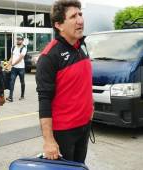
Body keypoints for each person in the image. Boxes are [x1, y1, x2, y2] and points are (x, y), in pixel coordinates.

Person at [35, 0, 93, 163]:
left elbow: (83, 81)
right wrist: (48, 141)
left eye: (80, 14)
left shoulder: (82, 45)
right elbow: (44, 101)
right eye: (73, 16)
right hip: (64, 132)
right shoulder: (49, 57)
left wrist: (91, 107)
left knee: (80, 166)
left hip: (84, 126)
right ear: (59, 24)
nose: (80, 20)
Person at [6, 34, 27, 102]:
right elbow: (12, 58)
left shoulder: (24, 48)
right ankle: (10, 97)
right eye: (17, 39)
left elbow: (20, 58)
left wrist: (12, 64)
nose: (18, 40)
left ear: (22, 40)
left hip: (21, 68)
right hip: (14, 68)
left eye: (20, 39)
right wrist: (6, 66)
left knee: (22, 82)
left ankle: (22, 96)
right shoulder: (13, 47)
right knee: (11, 82)